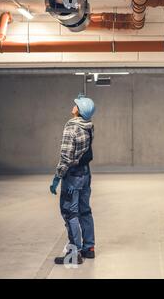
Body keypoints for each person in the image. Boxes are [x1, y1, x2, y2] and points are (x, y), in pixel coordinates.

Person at [49, 94, 96, 265]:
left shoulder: (71, 128)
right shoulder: (89, 126)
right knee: (85, 211)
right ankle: (89, 248)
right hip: (85, 174)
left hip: (73, 176)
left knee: (70, 213)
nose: (73, 106)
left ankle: (74, 253)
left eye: (76, 105)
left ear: (79, 110)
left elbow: (66, 157)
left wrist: (57, 177)